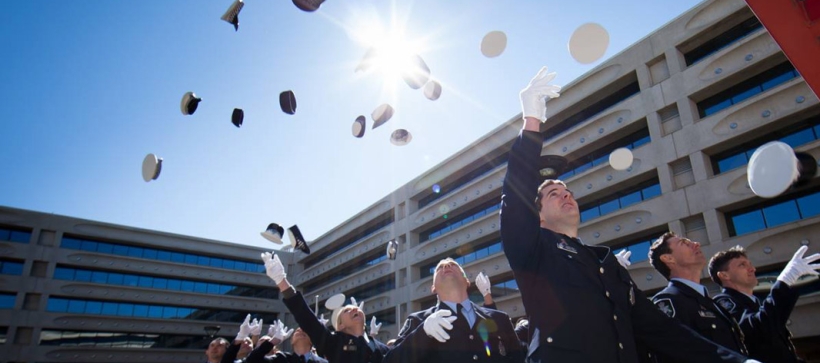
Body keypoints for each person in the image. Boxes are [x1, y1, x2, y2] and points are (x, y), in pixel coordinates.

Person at [499, 66, 755, 363]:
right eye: (553, 194)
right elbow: (515, 197)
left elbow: (660, 330)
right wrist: (532, 121)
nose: (566, 194)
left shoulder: (605, 262)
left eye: (567, 191)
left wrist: (739, 361)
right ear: (538, 216)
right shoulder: (532, 249)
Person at [384, 258, 525, 363]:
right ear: (433, 288)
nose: (446, 265)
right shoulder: (417, 321)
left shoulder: (500, 319)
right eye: (439, 268)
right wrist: (422, 333)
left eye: (453, 265)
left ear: (467, 282)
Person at [261, 252, 390, 363]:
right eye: (347, 310)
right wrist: (281, 280)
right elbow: (306, 317)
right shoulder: (332, 342)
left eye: (356, 309)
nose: (354, 309)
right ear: (341, 326)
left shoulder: (384, 349)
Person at [709, 245, 820, 363]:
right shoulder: (723, 302)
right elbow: (759, 329)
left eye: (750, 264)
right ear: (724, 275)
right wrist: (785, 281)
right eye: (742, 265)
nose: (752, 269)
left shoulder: (756, 303)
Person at [647, 232, 747, 356]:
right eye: (684, 243)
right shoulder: (669, 300)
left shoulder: (715, 305)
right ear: (668, 258)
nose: (696, 244)